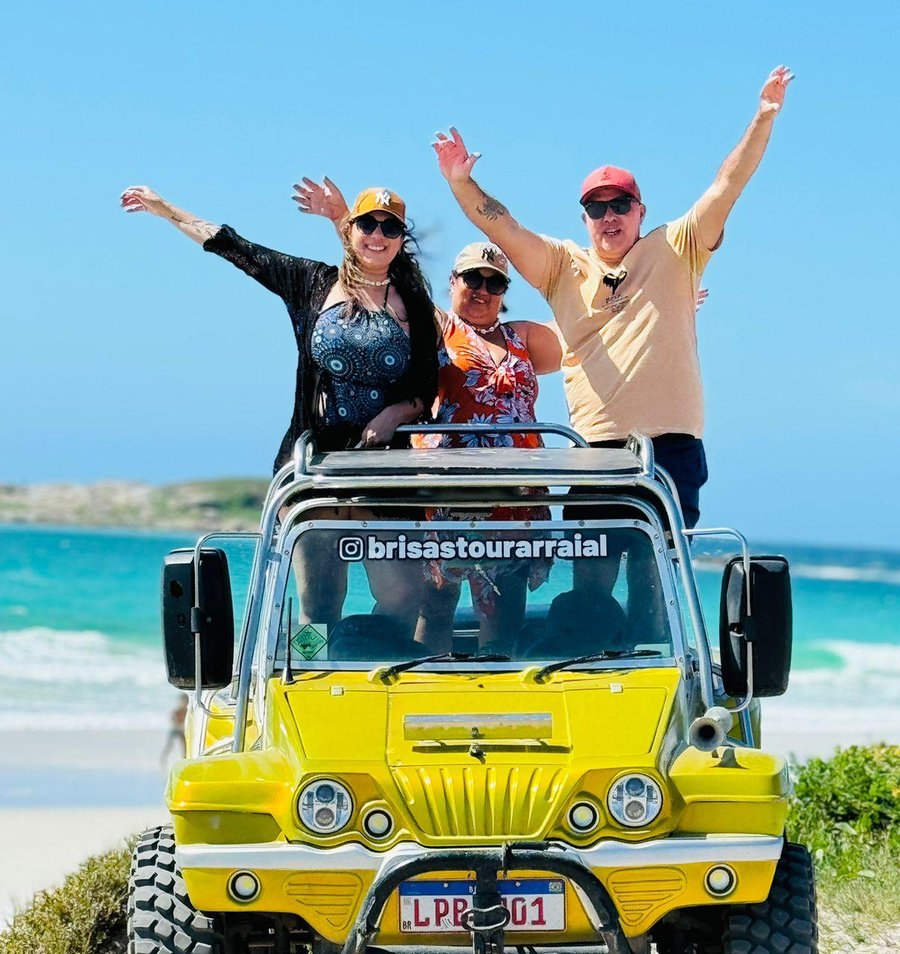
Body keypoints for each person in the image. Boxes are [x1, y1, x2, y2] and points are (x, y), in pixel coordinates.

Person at [432, 65, 794, 528]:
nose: (609, 216)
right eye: (596, 207)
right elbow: (503, 228)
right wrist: (461, 183)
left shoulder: (677, 247)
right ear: (584, 218)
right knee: (592, 581)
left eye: (620, 205)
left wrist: (764, 116)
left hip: (672, 445)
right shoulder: (562, 266)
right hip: (595, 448)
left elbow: (728, 184)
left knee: (660, 568)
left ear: (640, 211)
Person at [120, 184, 439, 629]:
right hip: (316, 467)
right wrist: (165, 209)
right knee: (320, 603)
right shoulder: (311, 282)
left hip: (382, 473)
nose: (378, 234)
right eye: (368, 223)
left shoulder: (418, 308)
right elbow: (235, 248)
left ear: (402, 239)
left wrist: (396, 414)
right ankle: (321, 684)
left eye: (390, 227)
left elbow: (428, 386)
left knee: (404, 597)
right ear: (351, 230)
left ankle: (368, 660)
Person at [293, 178, 562, 652]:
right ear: (452, 282)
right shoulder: (431, 322)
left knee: (502, 612)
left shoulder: (524, 336)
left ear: (504, 291)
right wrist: (343, 220)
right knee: (347, 603)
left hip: (516, 498)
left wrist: (660, 304)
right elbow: (378, 261)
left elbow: (587, 334)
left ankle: (491, 699)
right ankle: (313, 662)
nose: (481, 289)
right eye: (471, 278)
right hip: (442, 492)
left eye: (493, 281)